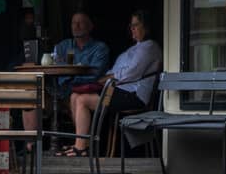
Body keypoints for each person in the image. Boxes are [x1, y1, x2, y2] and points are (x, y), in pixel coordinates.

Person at [64, 11, 162, 157]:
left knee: (82, 100)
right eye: (131, 25)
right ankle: (85, 142)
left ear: (146, 27)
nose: (132, 29)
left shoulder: (149, 47)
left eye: (136, 25)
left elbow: (130, 74)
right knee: (75, 96)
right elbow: (114, 71)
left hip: (133, 95)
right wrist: (108, 78)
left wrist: (106, 79)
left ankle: (81, 147)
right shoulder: (134, 48)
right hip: (118, 91)